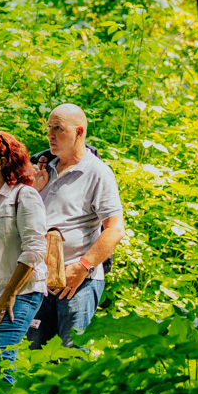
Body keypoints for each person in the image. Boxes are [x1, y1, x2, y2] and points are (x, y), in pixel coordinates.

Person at [27, 104, 125, 349]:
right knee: (35, 356)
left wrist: (82, 267)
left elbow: (115, 229)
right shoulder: (42, 168)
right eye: (49, 128)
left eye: (58, 128)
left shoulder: (98, 173)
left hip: (78, 282)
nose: (50, 135)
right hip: (38, 280)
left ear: (79, 132)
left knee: (72, 356)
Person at [0, 131, 47, 382]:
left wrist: (9, 294)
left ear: (2, 162)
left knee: (0, 360)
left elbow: (35, 248)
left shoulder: (24, 195)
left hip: (19, 293)